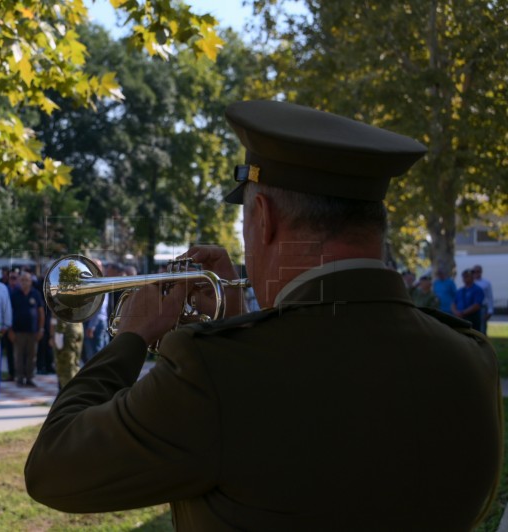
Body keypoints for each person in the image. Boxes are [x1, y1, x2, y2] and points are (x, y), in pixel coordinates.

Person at [25, 100, 502, 530]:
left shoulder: (212, 371)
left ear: (265, 219)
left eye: (246, 223)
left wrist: (129, 337)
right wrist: (234, 323)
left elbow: (52, 469)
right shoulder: (469, 357)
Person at [8, 272, 45, 387]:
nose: (24, 282)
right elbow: (9, 313)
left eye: (27, 280)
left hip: (33, 331)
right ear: (19, 281)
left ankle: (29, 378)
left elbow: (41, 313)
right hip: (18, 331)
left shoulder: (36, 294)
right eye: (22, 280)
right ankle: (19, 378)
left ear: (30, 282)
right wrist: (10, 330)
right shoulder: (14, 294)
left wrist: (41, 329)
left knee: (32, 356)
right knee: (18, 356)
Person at [51, 316, 83, 390]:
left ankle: (68, 392)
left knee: (66, 367)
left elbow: (60, 321)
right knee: (75, 363)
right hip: (78, 326)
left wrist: (55, 337)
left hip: (66, 331)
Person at [473, 264, 494, 334]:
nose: (476, 273)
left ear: (481, 272)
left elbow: (490, 297)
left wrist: (490, 310)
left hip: (482, 307)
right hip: (471, 308)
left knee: (482, 327)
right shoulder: (470, 283)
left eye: (478, 271)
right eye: (474, 271)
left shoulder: (486, 283)